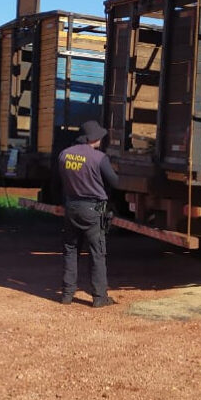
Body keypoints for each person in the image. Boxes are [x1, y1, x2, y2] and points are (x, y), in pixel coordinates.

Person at [58, 120, 119, 307]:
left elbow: (58, 179)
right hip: (92, 209)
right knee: (97, 253)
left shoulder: (64, 155)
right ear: (93, 138)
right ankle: (99, 297)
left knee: (70, 249)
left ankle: (67, 295)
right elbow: (115, 182)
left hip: (71, 206)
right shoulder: (99, 158)